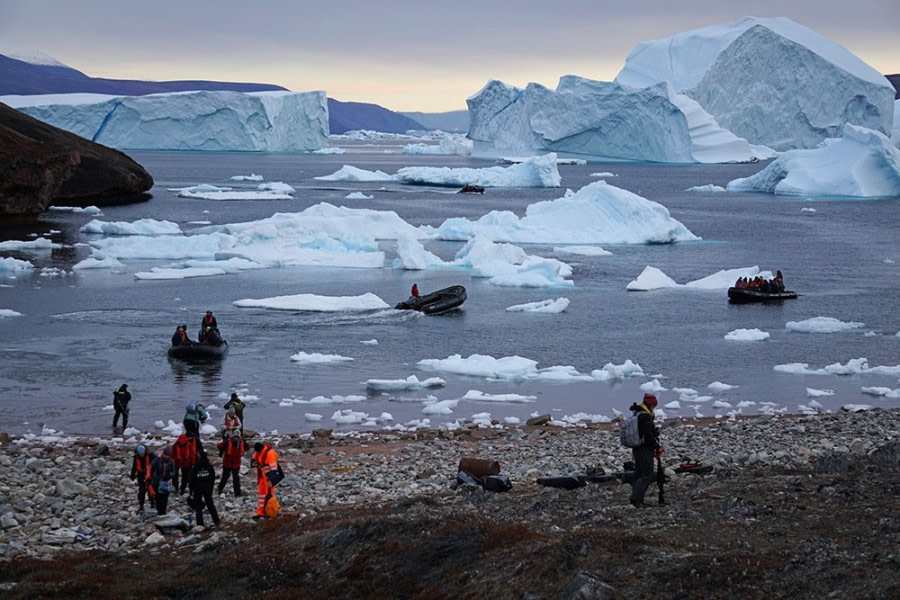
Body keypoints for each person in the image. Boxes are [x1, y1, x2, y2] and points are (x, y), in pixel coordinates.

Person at [626, 393, 661, 508]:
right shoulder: (645, 416)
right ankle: (637, 500)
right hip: (644, 449)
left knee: (638, 473)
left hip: (637, 448)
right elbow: (648, 436)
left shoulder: (638, 413)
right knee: (647, 475)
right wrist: (656, 446)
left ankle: (635, 499)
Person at [189, 451, 220, 528]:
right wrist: (211, 488)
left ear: (199, 456)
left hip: (197, 488)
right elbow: (212, 478)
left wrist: (191, 489)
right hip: (207, 487)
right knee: (210, 505)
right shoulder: (209, 466)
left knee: (198, 506)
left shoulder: (196, 466)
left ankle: (200, 524)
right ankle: (216, 521)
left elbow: (192, 479)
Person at [252, 441, 279, 518]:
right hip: (263, 476)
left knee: (269, 493)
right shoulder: (257, 452)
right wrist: (254, 463)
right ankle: (261, 512)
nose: (258, 453)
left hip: (269, 476)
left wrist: (270, 480)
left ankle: (270, 511)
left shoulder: (270, 454)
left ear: (262, 449)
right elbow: (254, 460)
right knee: (261, 494)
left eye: (259, 452)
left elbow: (274, 469)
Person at [150, 447, 176, 516]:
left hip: (166, 482)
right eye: (166, 455)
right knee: (158, 498)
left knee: (164, 498)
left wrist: (169, 475)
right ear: (163, 454)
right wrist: (151, 477)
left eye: (168, 455)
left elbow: (173, 471)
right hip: (157, 482)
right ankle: (159, 511)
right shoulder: (157, 460)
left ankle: (163, 512)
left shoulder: (171, 461)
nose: (167, 456)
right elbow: (151, 468)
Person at [129, 445, 154, 514]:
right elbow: (134, 467)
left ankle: (152, 503)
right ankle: (141, 506)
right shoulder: (136, 458)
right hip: (141, 477)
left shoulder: (151, 456)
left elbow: (155, 464)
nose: (142, 455)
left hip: (149, 475)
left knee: (150, 490)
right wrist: (132, 475)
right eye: (140, 454)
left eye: (142, 453)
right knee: (142, 492)